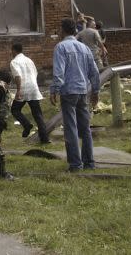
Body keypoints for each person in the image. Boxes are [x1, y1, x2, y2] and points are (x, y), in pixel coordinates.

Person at [51, 18, 101, 172]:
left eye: (60, 29)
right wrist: (96, 91)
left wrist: (54, 89)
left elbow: (59, 72)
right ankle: (89, 162)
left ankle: (75, 164)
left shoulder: (61, 47)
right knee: (85, 128)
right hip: (82, 91)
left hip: (68, 91)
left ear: (63, 30)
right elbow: (94, 72)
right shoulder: (84, 48)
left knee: (71, 128)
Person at [9, 43, 50, 144]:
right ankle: (45, 138)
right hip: (33, 88)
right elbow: (35, 73)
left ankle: (27, 125)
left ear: (14, 50)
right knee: (37, 114)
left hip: (23, 88)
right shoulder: (29, 60)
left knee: (15, 109)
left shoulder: (14, 62)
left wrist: (18, 90)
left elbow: (17, 76)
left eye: (11, 51)